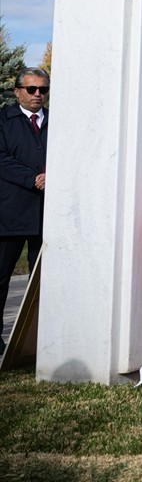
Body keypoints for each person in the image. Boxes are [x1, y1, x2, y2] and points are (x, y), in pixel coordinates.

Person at [1, 68, 48, 352]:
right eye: (31, 90)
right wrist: (33, 178)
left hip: (46, 214)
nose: (38, 95)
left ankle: (38, 341)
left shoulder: (58, 120)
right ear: (17, 91)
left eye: (43, 89)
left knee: (42, 280)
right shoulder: (4, 120)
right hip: (10, 215)